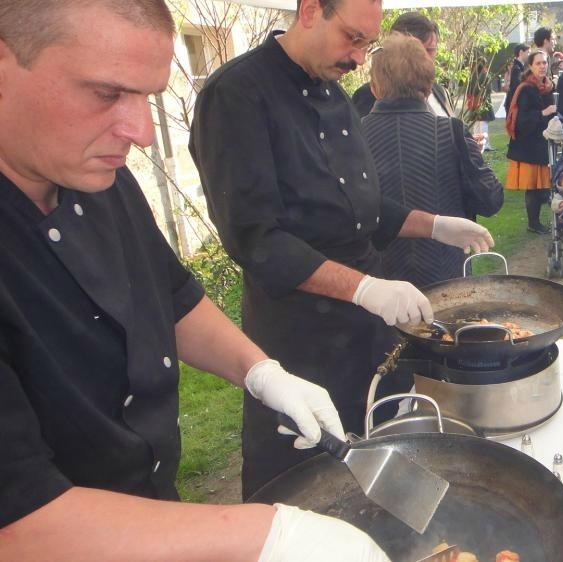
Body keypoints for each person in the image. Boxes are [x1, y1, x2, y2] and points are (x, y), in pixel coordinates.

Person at [0, 0, 389, 559]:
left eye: (147, 98)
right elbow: (19, 518)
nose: (140, 134)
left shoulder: (100, 182)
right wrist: (271, 536)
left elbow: (174, 298)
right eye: (107, 93)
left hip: (149, 510)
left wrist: (261, 372)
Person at [189, 0, 494, 500]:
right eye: (352, 38)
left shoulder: (334, 92)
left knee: (389, 473)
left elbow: (361, 208)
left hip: (369, 339)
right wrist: (365, 288)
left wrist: (435, 225)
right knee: (307, 492)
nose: (358, 57)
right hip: (302, 342)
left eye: (367, 44)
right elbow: (256, 239)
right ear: (310, 11)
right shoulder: (237, 94)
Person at [362, 34, 503, 287]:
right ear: (429, 87)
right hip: (444, 280)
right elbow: (491, 199)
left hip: (378, 283)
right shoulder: (451, 131)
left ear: (374, 87)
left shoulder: (354, 136)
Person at [351, 12, 453, 119]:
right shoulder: (368, 95)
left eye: (430, 50)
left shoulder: (441, 92)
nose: (424, 58)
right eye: (417, 51)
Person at [505, 50, 558, 234]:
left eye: (545, 63)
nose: (543, 66)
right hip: (528, 146)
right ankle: (533, 223)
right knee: (533, 187)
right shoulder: (526, 88)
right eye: (538, 63)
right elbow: (521, 120)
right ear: (530, 66)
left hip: (542, 143)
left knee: (542, 185)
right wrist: (544, 113)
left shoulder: (547, 86)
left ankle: (537, 222)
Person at [466, 56, 496, 151]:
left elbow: (469, 91)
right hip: (483, 102)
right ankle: (485, 144)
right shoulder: (485, 75)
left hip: (474, 102)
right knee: (483, 124)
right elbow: (489, 90)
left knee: (476, 124)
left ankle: (475, 143)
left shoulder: (472, 76)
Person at [502, 43, 530, 112]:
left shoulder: (518, 67)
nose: (529, 55)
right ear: (521, 52)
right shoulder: (517, 68)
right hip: (515, 105)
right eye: (528, 52)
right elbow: (516, 88)